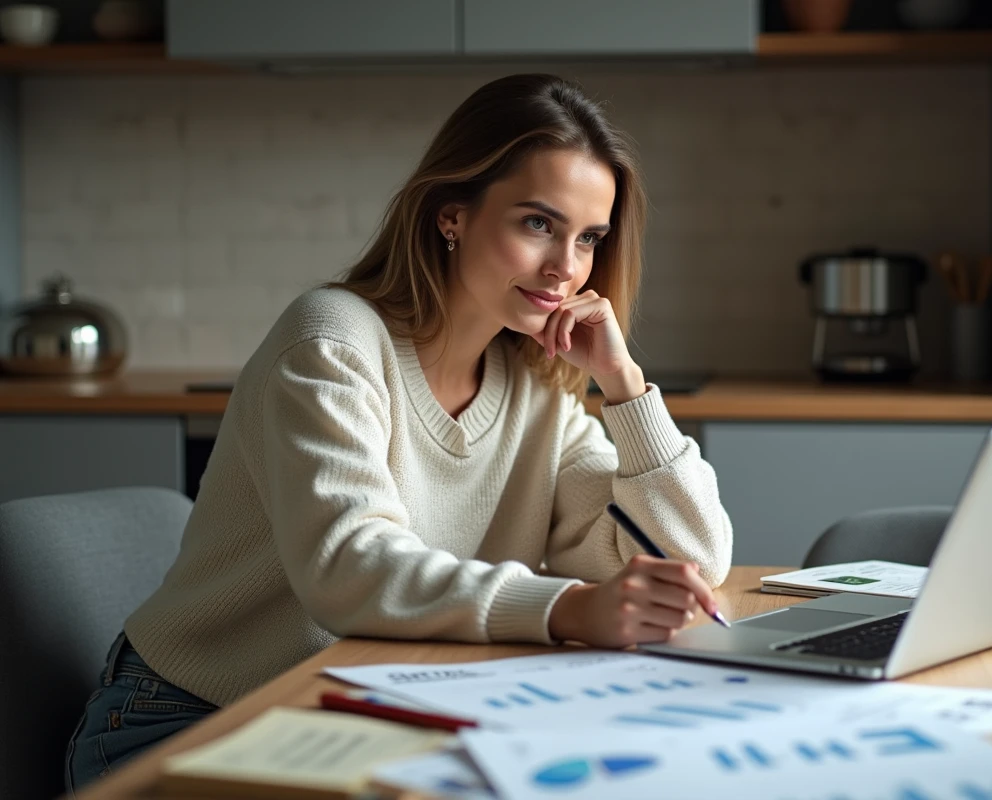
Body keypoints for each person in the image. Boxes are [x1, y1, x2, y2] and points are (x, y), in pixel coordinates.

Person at [64, 73, 733, 794]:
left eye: (589, 238)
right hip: (193, 714)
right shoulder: (331, 341)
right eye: (538, 224)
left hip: (360, 712)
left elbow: (690, 560)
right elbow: (349, 566)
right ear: (452, 216)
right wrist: (567, 608)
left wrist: (625, 384)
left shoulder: (538, 386)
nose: (565, 269)